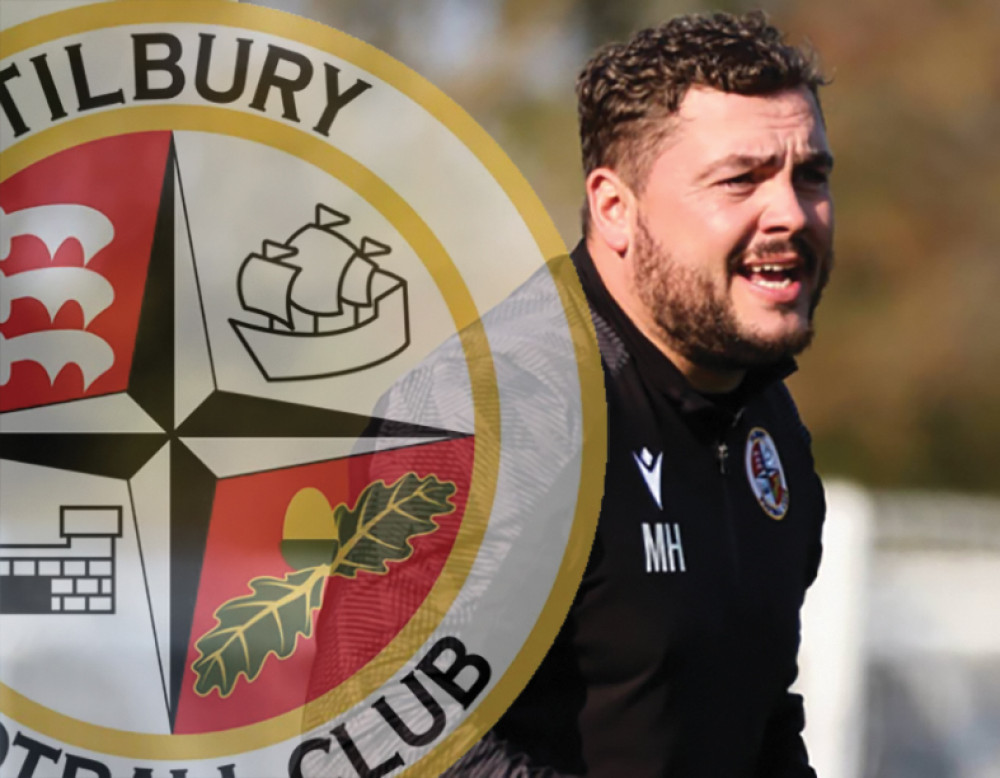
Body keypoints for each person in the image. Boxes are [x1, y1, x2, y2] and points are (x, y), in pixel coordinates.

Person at [446, 10, 833, 777]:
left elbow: (752, 718)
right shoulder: (499, 412)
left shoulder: (763, 418)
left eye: (811, 175)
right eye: (740, 179)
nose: (790, 212)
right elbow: (381, 741)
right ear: (615, 209)